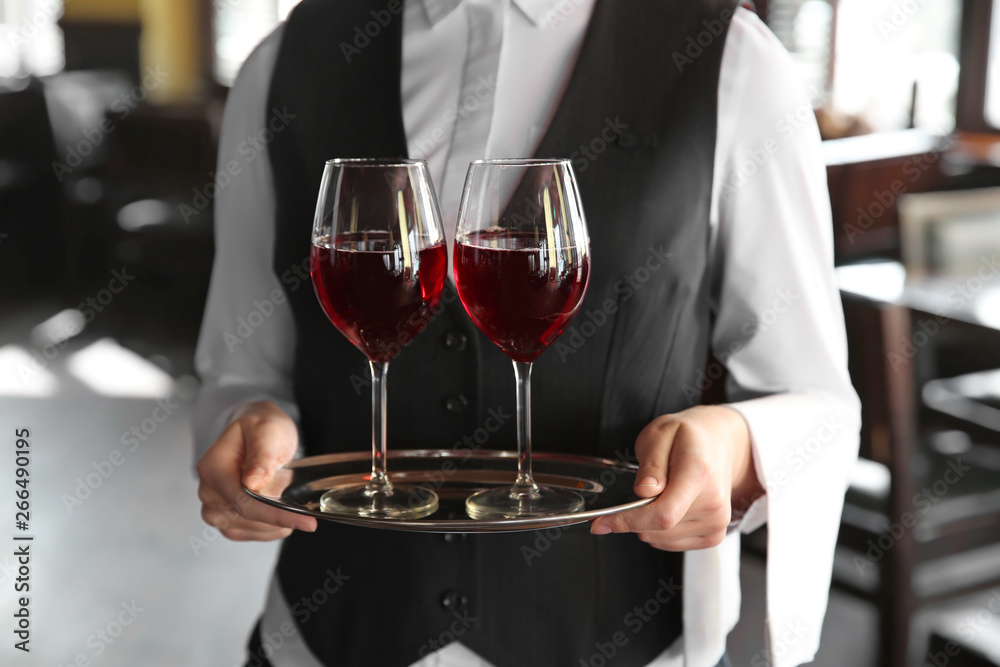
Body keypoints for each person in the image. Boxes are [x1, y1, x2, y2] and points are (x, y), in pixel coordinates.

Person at [193, 1, 861, 666]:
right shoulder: (282, 62)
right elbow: (241, 370)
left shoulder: (730, 58)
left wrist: (736, 446)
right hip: (324, 638)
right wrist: (247, 425)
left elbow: (818, 401)